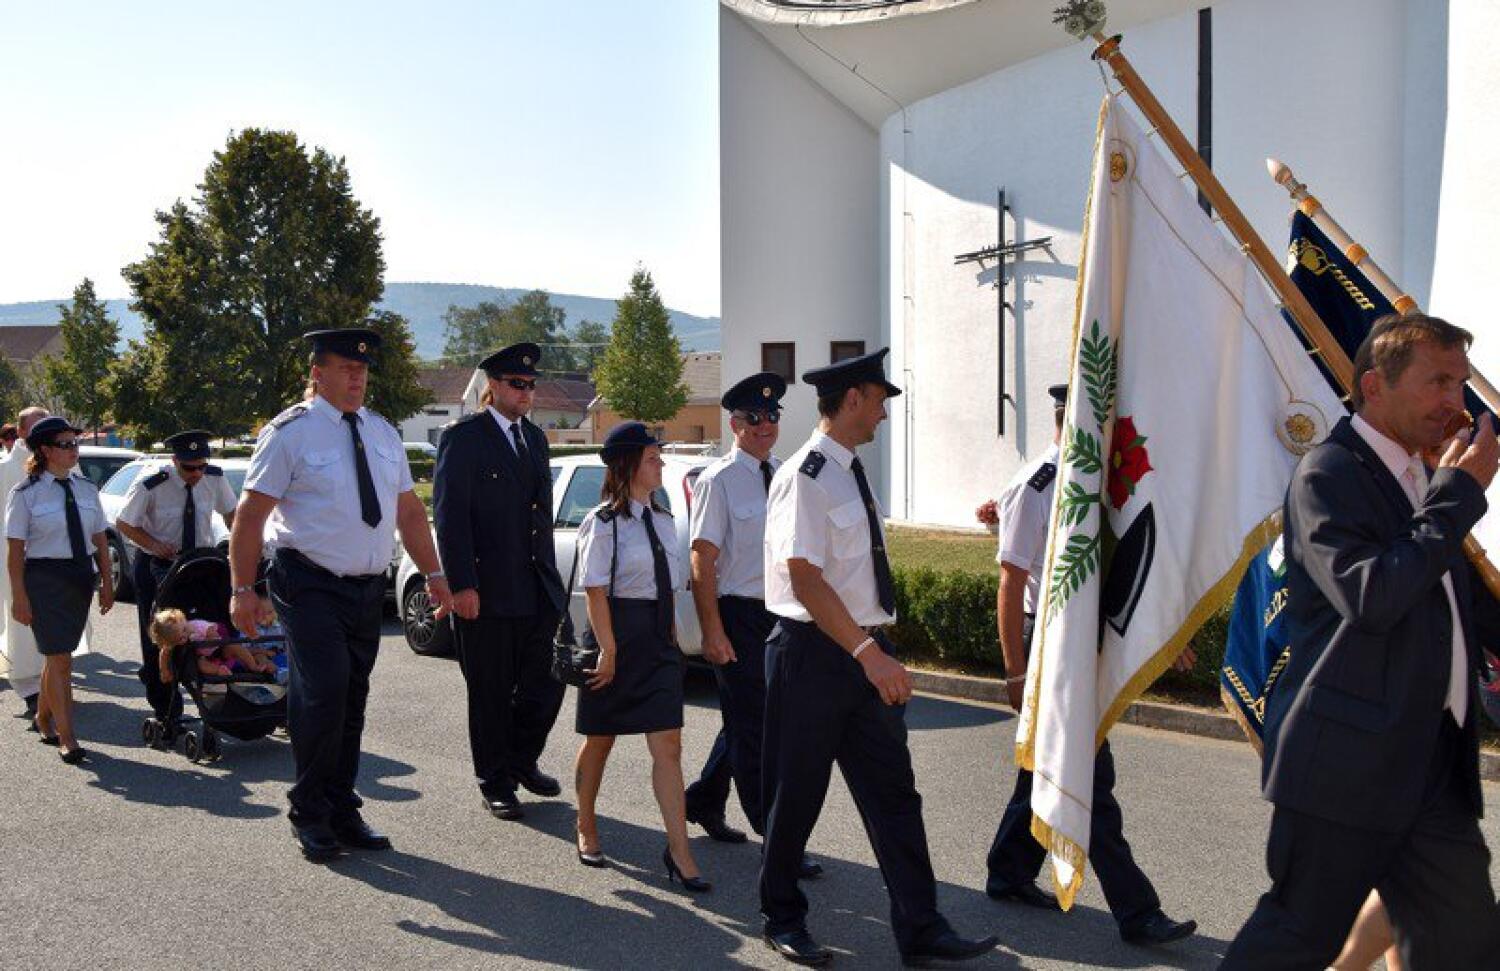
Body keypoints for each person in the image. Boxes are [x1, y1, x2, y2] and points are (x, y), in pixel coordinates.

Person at [1223, 313, 1500, 969]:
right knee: (1297, 940)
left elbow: (1451, 604)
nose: (1455, 402)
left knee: (1466, 948)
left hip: (1432, 767)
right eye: (1438, 382)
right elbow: (1372, 595)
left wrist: (1446, 495)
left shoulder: (1420, 477)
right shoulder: (1329, 474)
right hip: (1346, 766)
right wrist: (1458, 495)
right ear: (1375, 385)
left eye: (1460, 383)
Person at [759, 347, 997, 967]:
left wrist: (873, 650)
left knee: (895, 794)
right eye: (879, 401)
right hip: (813, 655)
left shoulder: (849, 471)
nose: (885, 414)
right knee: (796, 795)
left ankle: (921, 928)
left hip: (861, 651)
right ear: (853, 399)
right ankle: (782, 918)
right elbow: (804, 577)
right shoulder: (807, 474)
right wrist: (870, 653)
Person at [228, 327, 452, 863]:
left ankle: (341, 806)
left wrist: (435, 573)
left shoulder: (382, 432)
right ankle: (309, 811)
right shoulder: (290, 433)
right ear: (317, 373)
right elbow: (250, 515)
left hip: (365, 585)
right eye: (346, 369)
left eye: (363, 370)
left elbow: (408, 511)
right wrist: (242, 589)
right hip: (306, 580)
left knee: (351, 696)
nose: (357, 378)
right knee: (324, 690)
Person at [984, 384, 1196, 946]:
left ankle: (1008, 869)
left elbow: (1117, 571)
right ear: (1074, 422)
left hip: (1083, 638)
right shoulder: (1037, 487)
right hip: (1047, 643)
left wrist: (1161, 637)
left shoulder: (1100, 485)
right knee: (1088, 775)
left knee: (1046, 763)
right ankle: (1138, 912)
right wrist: (1014, 670)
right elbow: (1010, 583)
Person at [681, 371, 821, 881]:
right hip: (737, 614)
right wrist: (712, 631)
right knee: (759, 731)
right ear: (735, 424)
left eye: (773, 416)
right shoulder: (718, 480)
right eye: (755, 418)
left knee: (751, 720)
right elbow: (703, 558)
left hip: (780, 613)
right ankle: (777, 839)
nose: (766, 425)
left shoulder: (784, 473)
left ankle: (703, 799)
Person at [571, 422, 708, 891]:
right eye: (653, 458)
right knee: (601, 739)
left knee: (669, 746)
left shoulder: (664, 520)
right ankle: (586, 823)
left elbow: (668, 586)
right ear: (628, 465)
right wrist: (608, 650)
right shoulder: (602, 523)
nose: (661, 463)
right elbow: (594, 590)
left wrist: (670, 638)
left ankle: (680, 851)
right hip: (615, 636)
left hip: (658, 642)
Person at [434, 341, 566, 820]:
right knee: (490, 692)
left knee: (546, 684)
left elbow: (539, 516)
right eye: (516, 384)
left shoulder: (535, 439)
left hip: (535, 585)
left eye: (530, 385)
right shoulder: (465, 437)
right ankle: (496, 780)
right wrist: (461, 585)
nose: (525, 392)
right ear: (493, 385)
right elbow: (450, 517)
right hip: (486, 588)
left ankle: (521, 759)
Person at [5, 416, 113, 763]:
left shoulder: (86, 488)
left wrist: (107, 582)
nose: (73, 450)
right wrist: (19, 597)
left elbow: (99, 539)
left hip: (80, 577)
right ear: (46, 450)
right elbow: (15, 551)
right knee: (61, 658)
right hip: (45, 580)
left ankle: (42, 716)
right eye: (65, 444)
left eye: (75, 443)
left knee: (58, 654)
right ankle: (68, 737)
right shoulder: (25, 493)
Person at [116, 430, 237, 734]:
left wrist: (238, 544)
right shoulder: (152, 483)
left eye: (201, 465)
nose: (197, 473)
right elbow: (125, 523)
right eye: (189, 467)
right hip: (157, 565)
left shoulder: (214, 478)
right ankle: (166, 709)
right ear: (174, 461)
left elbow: (232, 514)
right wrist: (154, 544)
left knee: (209, 632)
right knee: (161, 637)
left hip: (198, 565)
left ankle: (219, 704)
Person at [0, 406, 51, 725]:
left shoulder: (61, 464)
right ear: (20, 432)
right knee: (21, 622)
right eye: (36, 426)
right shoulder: (5, 469)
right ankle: (30, 689)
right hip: (14, 559)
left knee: (53, 624)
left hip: (55, 560)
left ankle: (50, 682)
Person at [149, 608, 274, 681]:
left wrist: (202, 638)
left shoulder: (197, 626)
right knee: (200, 664)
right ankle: (219, 670)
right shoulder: (173, 640)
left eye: (184, 631)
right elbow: (164, 653)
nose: (184, 637)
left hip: (219, 646)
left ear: (183, 620)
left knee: (236, 647)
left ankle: (253, 665)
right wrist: (164, 670)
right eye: (179, 639)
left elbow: (215, 636)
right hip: (204, 656)